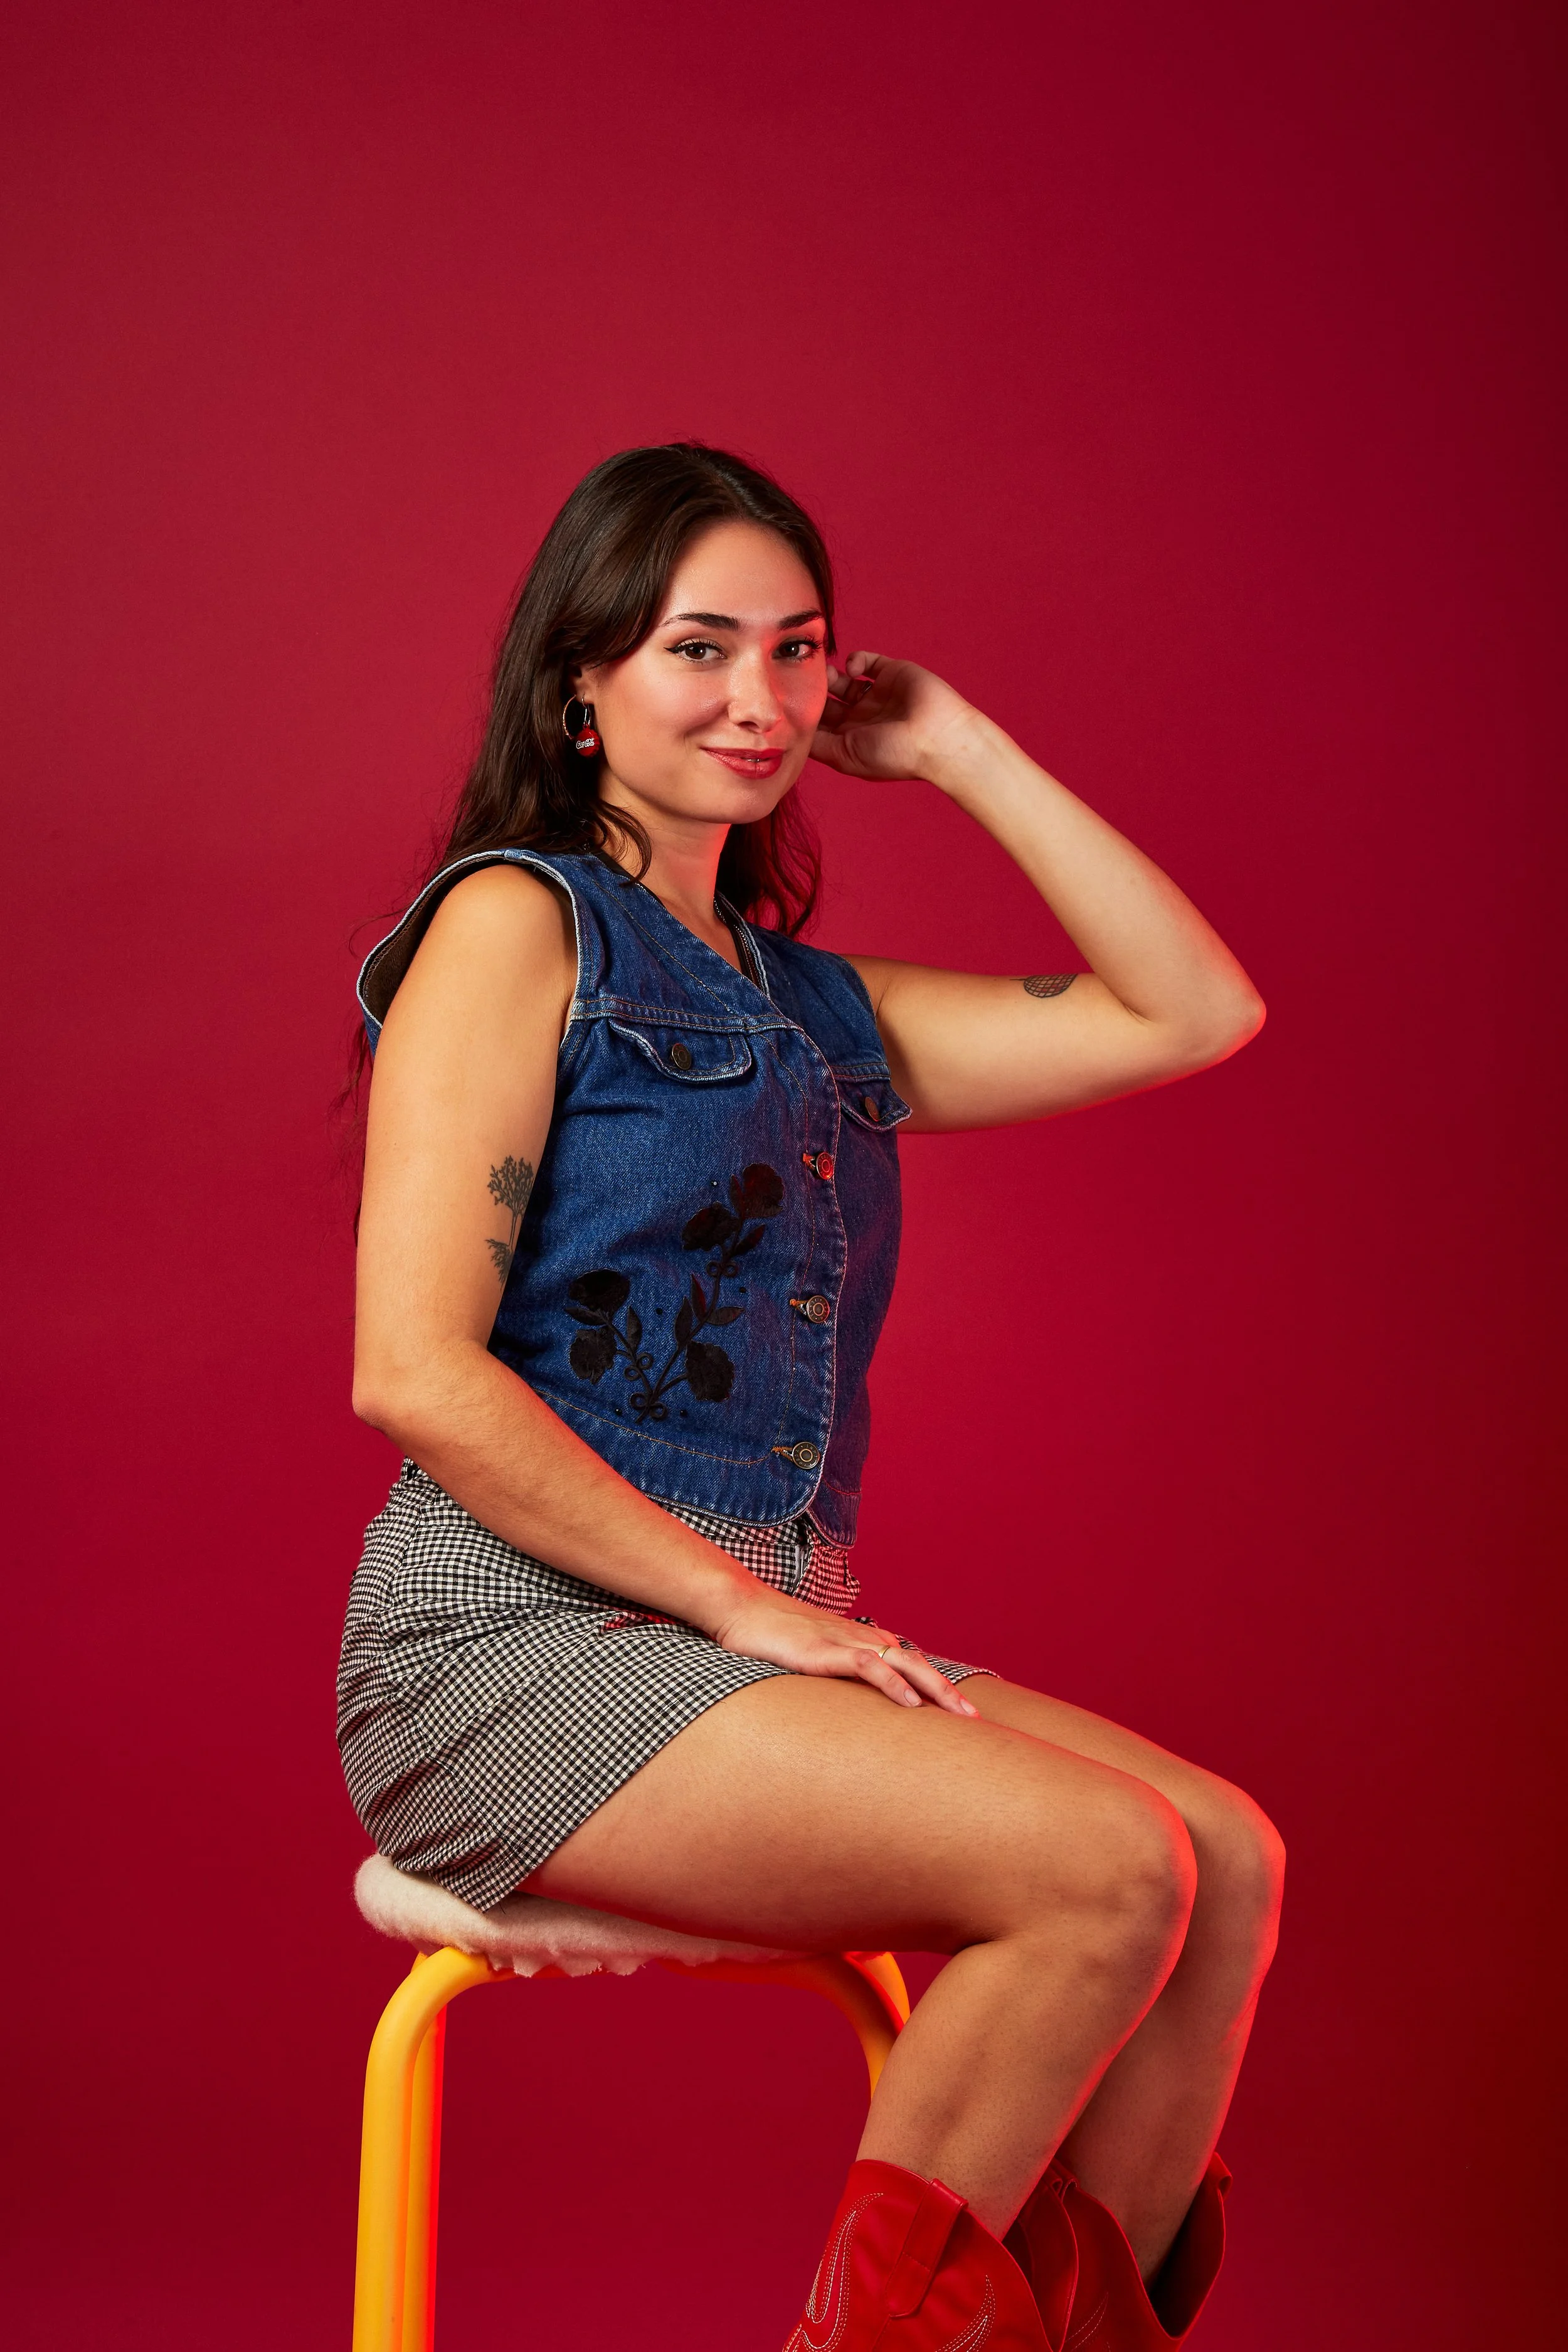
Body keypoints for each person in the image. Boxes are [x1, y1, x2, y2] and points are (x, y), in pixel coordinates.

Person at [339, 443, 1283, 2351]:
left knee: (1229, 1858)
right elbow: (410, 1369)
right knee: (1105, 1867)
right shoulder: (514, 925)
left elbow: (1189, 1010)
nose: (760, 700)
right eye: (700, 647)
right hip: (511, 1653)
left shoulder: (808, 1009)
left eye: (798, 651)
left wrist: (964, 753)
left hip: (744, 1653)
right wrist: (748, 1604)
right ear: (576, 687)